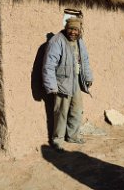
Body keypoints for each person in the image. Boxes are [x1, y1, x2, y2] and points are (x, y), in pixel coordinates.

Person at [42, 17, 93, 151]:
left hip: (75, 80)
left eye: (76, 29)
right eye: (70, 29)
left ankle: (72, 136)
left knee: (76, 110)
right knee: (61, 112)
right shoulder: (57, 41)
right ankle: (57, 140)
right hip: (62, 82)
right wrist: (51, 85)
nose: (73, 32)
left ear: (79, 30)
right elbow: (49, 65)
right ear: (66, 28)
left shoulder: (79, 41)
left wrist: (88, 77)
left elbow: (85, 60)